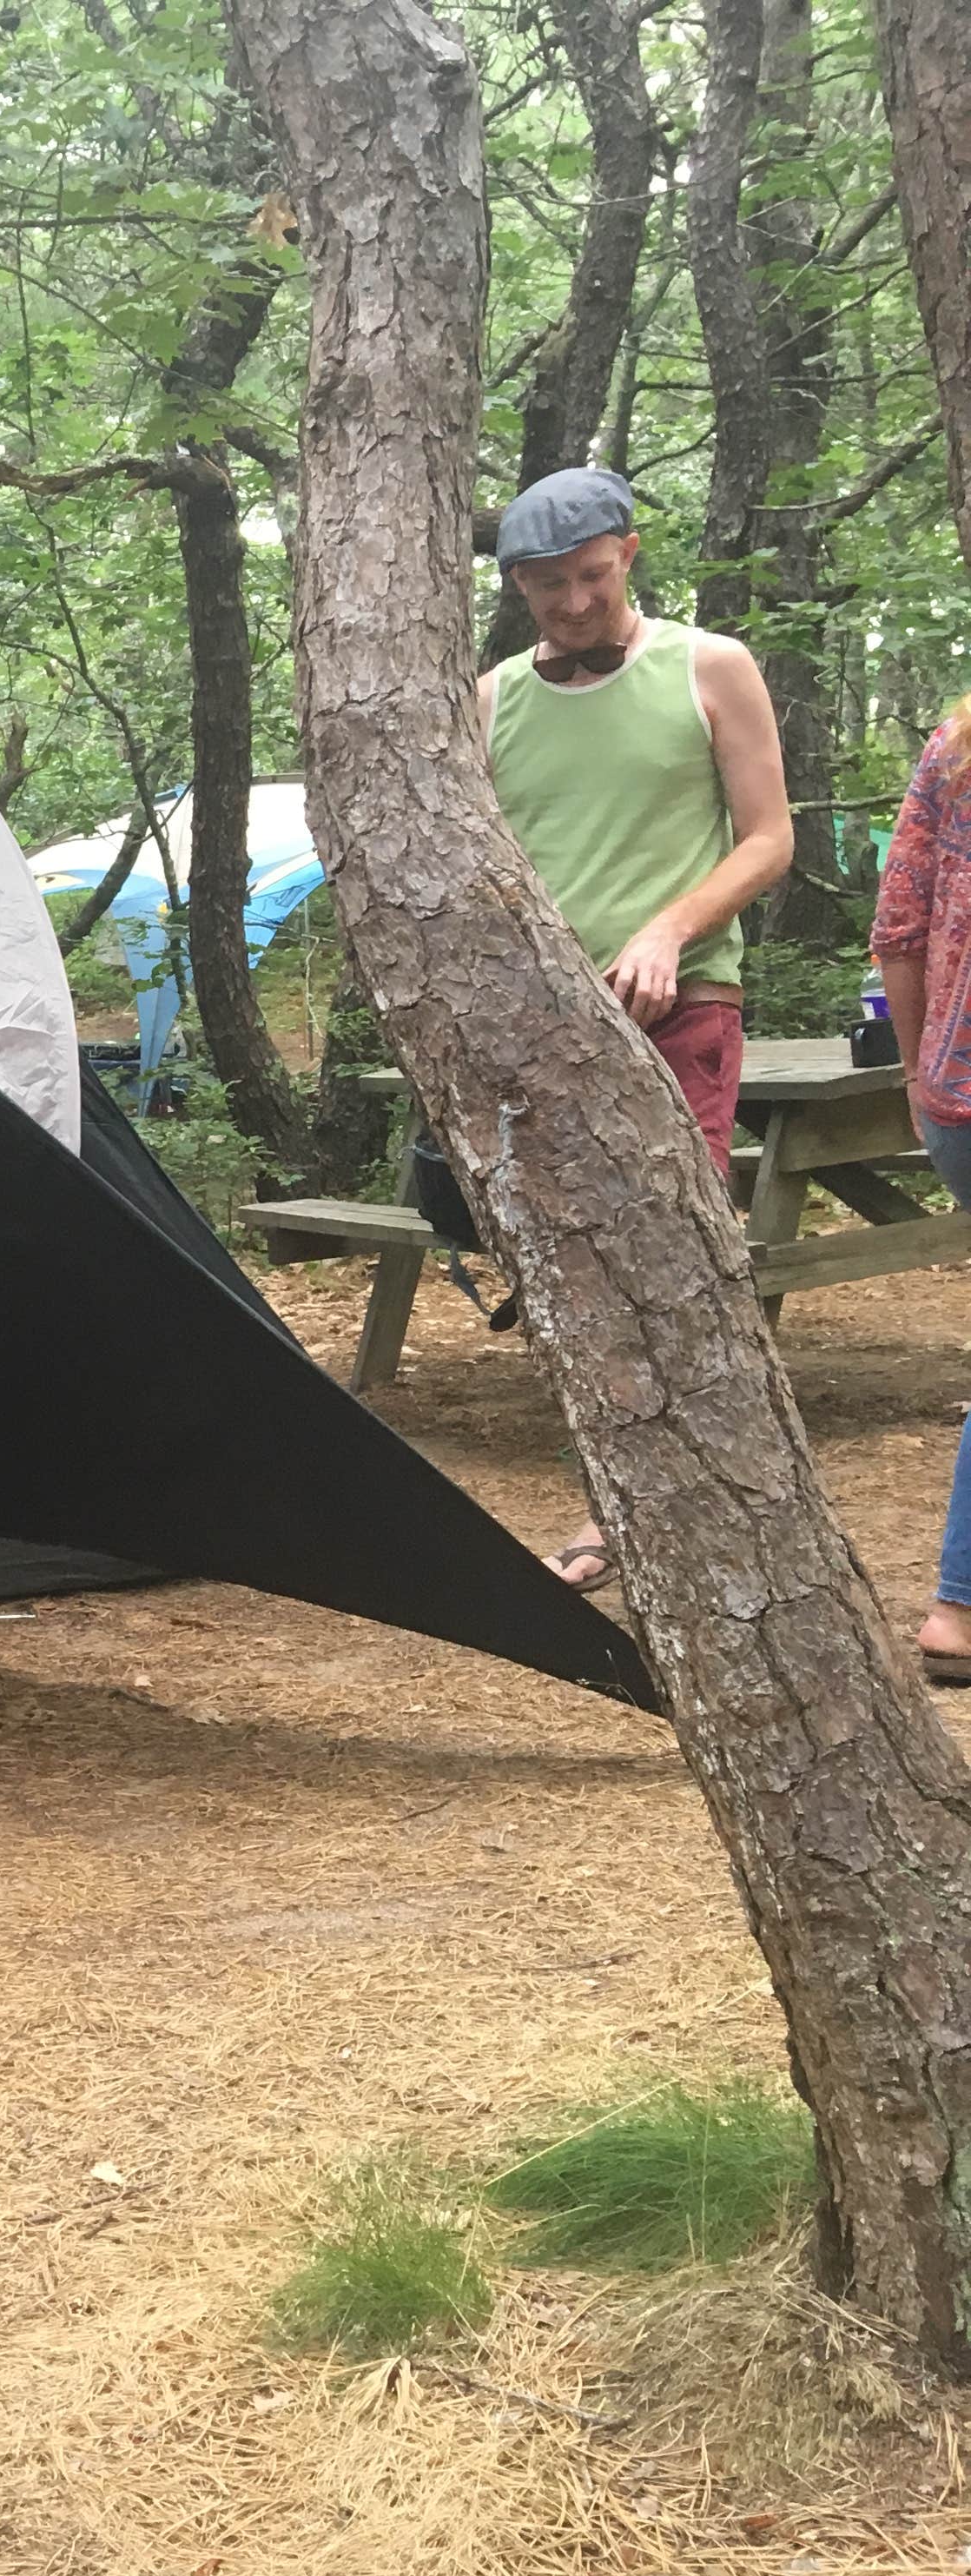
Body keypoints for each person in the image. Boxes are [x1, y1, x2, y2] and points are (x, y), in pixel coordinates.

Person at [475, 467, 796, 1592]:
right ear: (518, 584)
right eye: (547, 585)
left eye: (592, 577)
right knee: (575, 1270)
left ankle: (724, 1495)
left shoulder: (708, 667)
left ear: (631, 552)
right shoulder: (495, 697)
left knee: (677, 1254)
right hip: (539, 1026)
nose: (572, 604)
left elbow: (767, 838)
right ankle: (616, 1504)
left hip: (682, 1004)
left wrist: (669, 926)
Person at [869, 693, 971, 1679]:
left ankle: (960, 1610)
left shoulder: (953, 746)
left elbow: (898, 932)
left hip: (957, 1097)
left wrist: (915, 1071)